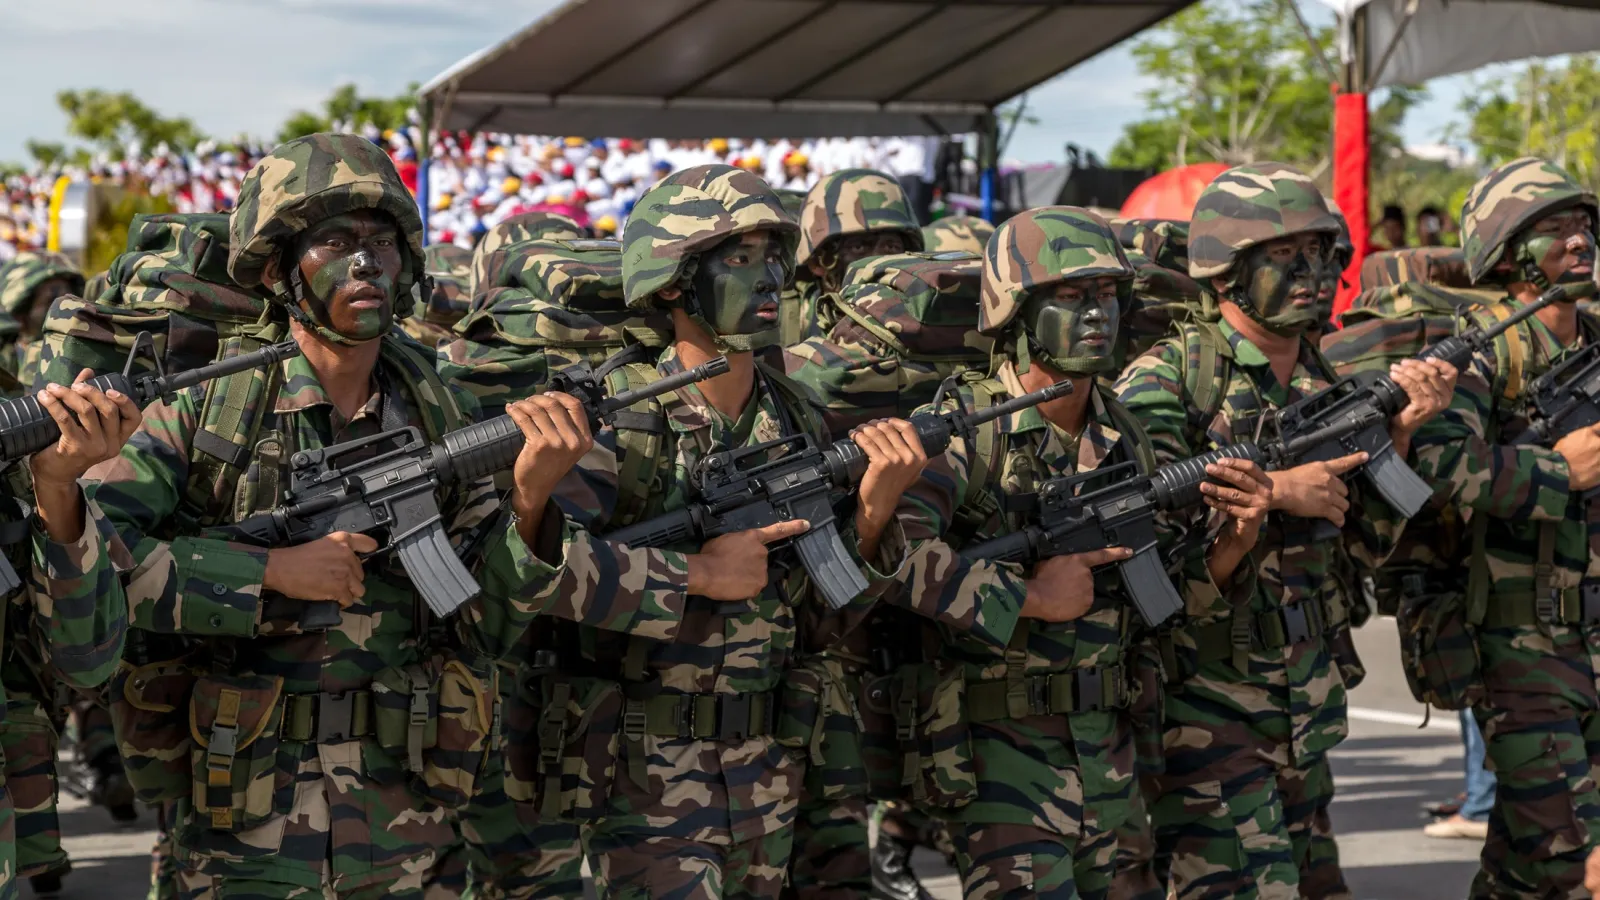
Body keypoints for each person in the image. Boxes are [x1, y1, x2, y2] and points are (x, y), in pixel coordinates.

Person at [37, 133, 579, 900]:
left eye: (381, 241)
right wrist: (267, 572)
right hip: (248, 837)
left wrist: (530, 501)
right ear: (276, 269)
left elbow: (489, 624)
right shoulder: (204, 409)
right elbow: (91, 603)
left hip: (408, 823)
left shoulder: (438, 404)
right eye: (334, 241)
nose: (365, 263)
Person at [526, 163, 925, 899]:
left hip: (770, 762)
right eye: (739, 260)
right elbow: (532, 576)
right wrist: (699, 576)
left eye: (774, 257)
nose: (770, 278)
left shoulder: (798, 416)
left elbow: (822, 615)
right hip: (648, 774)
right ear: (674, 282)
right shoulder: (620, 416)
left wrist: (872, 513)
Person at [871, 205, 1273, 899]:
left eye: (1107, 296)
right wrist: (1030, 597)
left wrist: (1233, 542)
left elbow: (1164, 597)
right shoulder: (967, 432)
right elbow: (891, 555)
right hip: (1004, 754)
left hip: (1112, 749)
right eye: (1068, 296)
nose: (1098, 314)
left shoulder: (1125, 430)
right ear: (1015, 313)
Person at [1114, 162, 1456, 899]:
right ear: (1226, 272)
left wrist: (1397, 439)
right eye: (1285, 255)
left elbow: (1352, 548)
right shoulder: (1166, 381)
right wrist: (1269, 496)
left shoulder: (1322, 378)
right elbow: (1136, 555)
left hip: (1305, 700)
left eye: (1323, 254)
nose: (1313, 273)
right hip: (1205, 707)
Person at [1410, 156, 1600, 899]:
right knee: (1569, 855)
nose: (1578, 240)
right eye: (1554, 228)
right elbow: (1437, 463)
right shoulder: (1476, 349)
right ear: (1507, 247)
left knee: (1525, 863)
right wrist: (1560, 473)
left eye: (1582, 223)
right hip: (1523, 649)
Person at [784, 169, 923, 346]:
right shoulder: (786, 323)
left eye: (890, 247)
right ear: (818, 263)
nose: (877, 261)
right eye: (858, 247)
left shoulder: (923, 321)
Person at [0, 251, 83, 382]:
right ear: (20, 315)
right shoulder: (6, 365)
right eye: (51, 301)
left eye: (71, 297)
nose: (67, 307)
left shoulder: (88, 354)